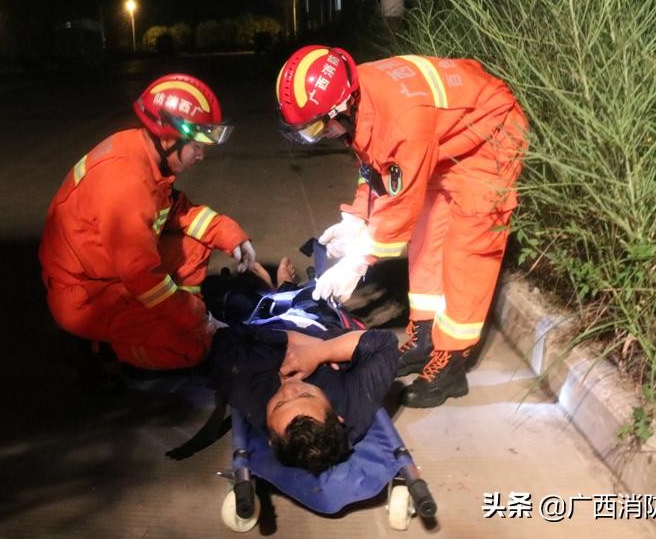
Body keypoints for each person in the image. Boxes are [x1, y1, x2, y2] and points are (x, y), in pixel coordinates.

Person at [274, 46, 528, 408]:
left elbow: (400, 201)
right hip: (445, 140)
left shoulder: (402, 117)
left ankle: (452, 361)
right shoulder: (357, 93)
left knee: (467, 251)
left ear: (342, 106)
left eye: (317, 126)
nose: (318, 136)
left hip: (490, 138)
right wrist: (356, 215)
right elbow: (377, 164)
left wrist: (360, 259)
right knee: (426, 239)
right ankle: (424, 337)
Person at [39, 73, 256, 371]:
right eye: (196, 146)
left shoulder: (142, 153)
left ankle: (176, 320)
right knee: (189, 349)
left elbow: (176, 211)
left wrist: (231, 235)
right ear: (168, 139)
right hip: (86, 295)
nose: (201, 156)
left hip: (108, 270)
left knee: (196, 247)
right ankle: (103, 349)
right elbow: (141, 275)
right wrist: (195, 316)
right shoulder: (126, 182)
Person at [207, 286, 400, 474]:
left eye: (279, 404)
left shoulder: (246, 387)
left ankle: (279, 285)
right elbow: (385, 344)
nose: (289, 390)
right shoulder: (353, 405)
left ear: (270, 438)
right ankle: (286, 284)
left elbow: (226, 338)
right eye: (305, 394)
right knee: (309, 294)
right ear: (339, 418)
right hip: (314, 319)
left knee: (239, 301)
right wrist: (321, 351)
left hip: (265, 327)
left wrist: (288, 339)